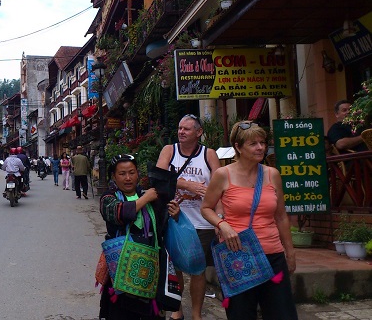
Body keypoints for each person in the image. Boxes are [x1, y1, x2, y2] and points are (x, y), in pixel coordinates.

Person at [201, 121, 297, 320]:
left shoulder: (272, 175)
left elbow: (281, 216)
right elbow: (206, 208)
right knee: (241, 314)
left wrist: (290, 252)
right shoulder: (223, 175)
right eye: (253, 143)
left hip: (272, 254)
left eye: (262, 142)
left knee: (282, 313)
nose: (260, 147)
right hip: (238, 256)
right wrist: (222, 224)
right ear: (238, 147)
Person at [156, 114, 221, 320]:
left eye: (186, 129)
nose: (181, 132)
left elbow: (221, 185)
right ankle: (177, 310)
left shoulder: (208, 154)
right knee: (175, 268)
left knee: (198, 270)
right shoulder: (170, 151)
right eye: (179, 128)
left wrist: (219, 218)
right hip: (174, 220)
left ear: (199, 132)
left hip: (202, 221)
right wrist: (186, 184)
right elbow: (158, 177)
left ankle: (196, 314)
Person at [99, 154, 181, 320]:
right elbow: (119, 213)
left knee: (151, 312)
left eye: (132, 172)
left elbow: (162, 227)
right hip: (121, 267)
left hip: (150, 265)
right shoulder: (109, 198)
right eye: (122, 174)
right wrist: (146, 199)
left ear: (138, 174)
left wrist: (175, 214)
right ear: (114, 176)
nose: (128, 178)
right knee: (121, 313)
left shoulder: (148, 195)